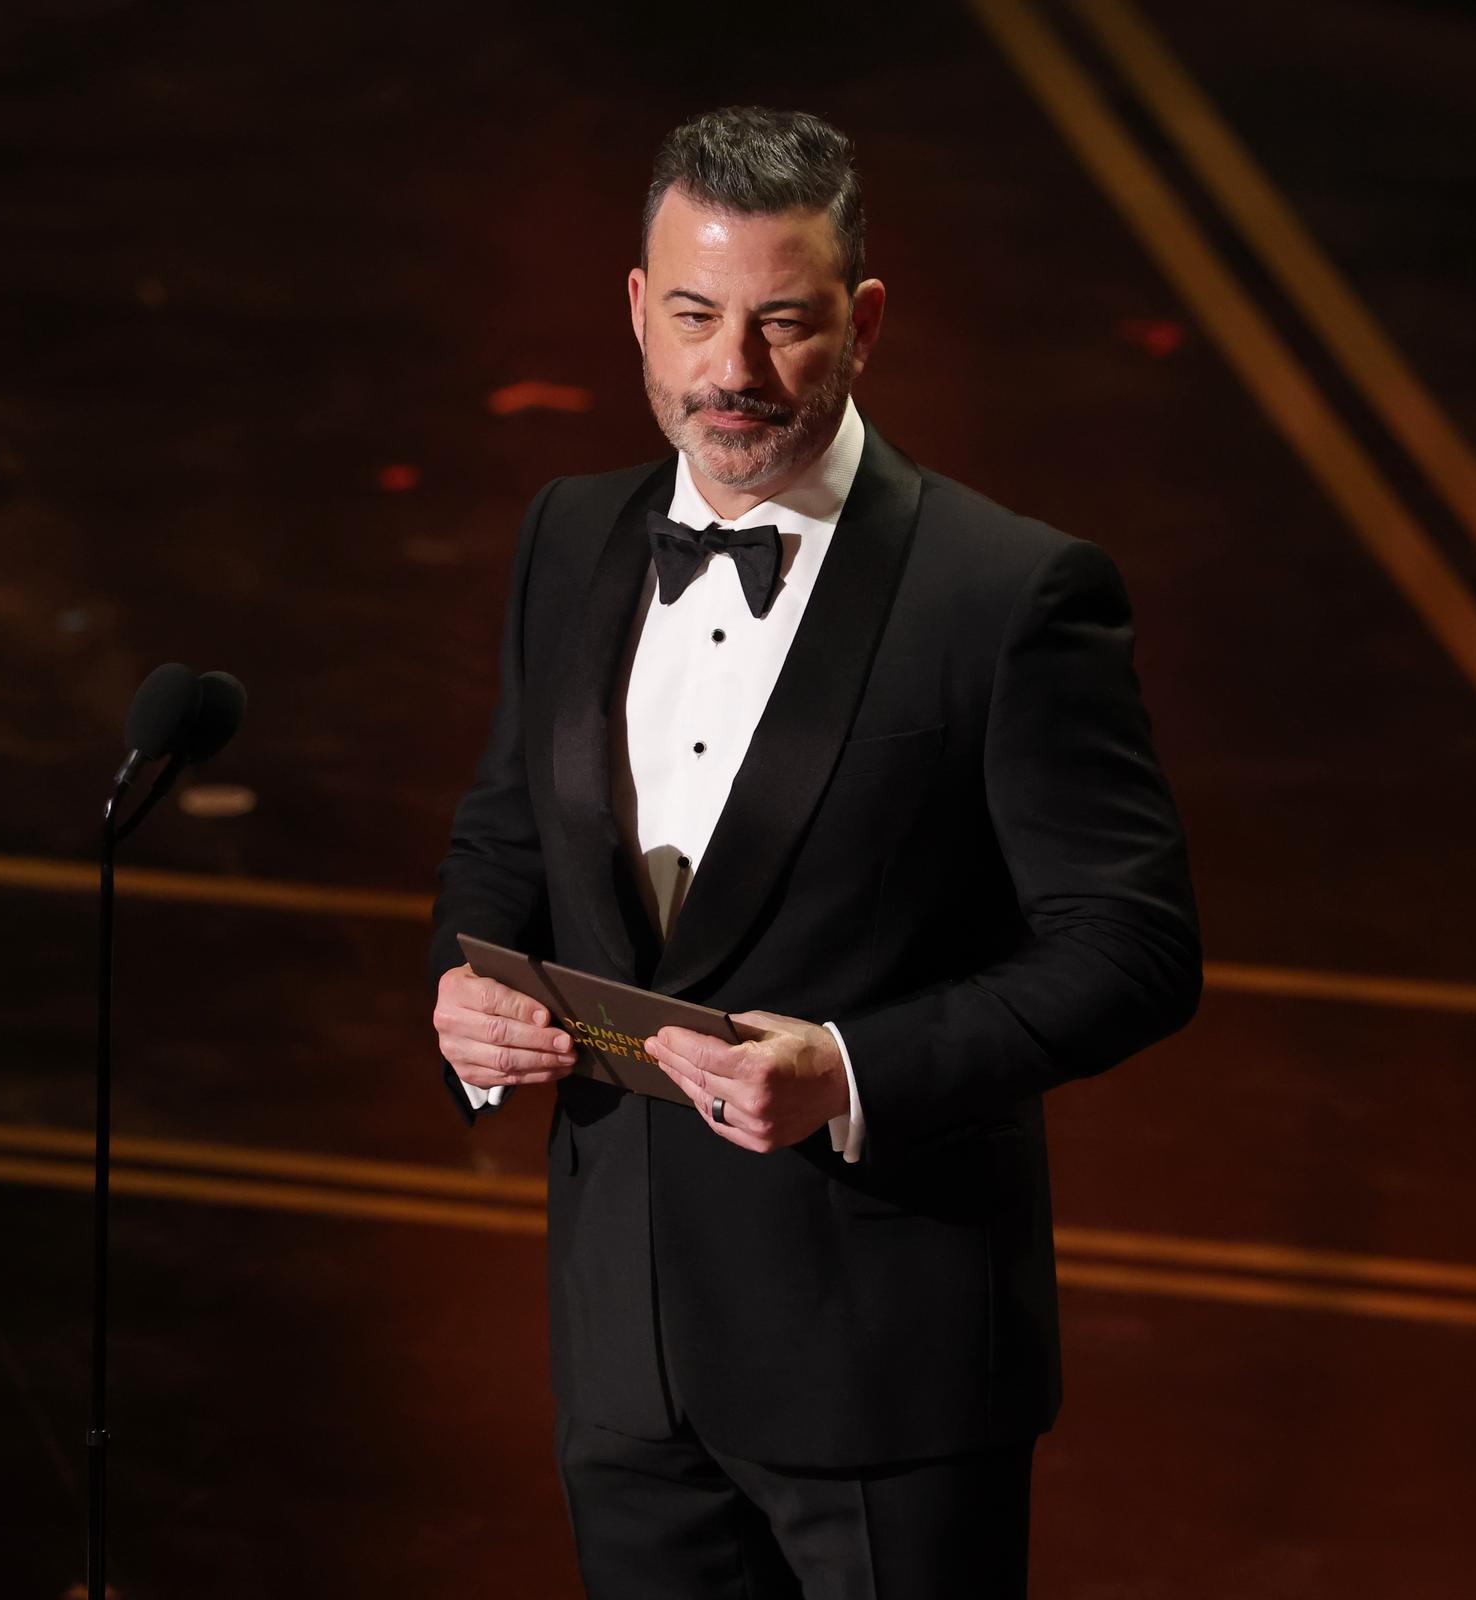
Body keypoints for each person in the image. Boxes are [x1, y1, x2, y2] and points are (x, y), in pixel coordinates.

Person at [426, 104, 1201, 1598]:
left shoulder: (1010, 592)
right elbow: (504, 832)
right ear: (636, 308)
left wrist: (849, 1070)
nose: (733, 370)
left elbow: (1134, 950)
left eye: (782, 323)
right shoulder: (568, 535)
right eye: (696, 316)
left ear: (866, 321)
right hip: (627, 1356)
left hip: (887, 1366)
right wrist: (464, 995)